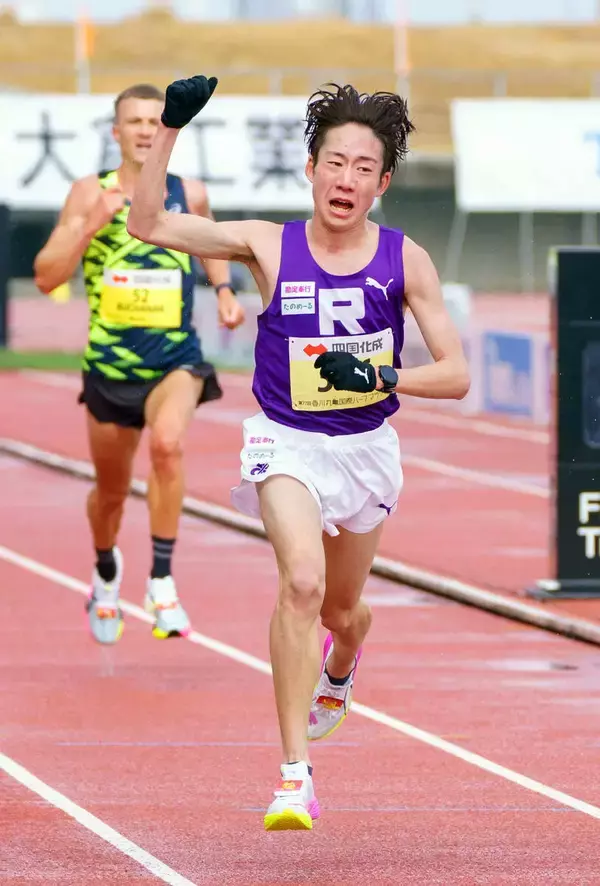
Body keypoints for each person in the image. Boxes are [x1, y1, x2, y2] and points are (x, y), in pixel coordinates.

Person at [127, 75, 470, 830]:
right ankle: (294, 776)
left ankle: (343, 663)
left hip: (365, 451)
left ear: (382, 184)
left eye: (363, 168)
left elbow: (456, 375)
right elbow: (147, 223)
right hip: (285, 442)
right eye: (334, 163)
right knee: (302, 585)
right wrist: (172, 129)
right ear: (310, 169)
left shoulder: (404, 259)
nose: (346, 180)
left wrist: (382, 376)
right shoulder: (266, 243)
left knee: (343, 611)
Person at [33, 82, 245, 646]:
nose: (147, 130)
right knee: (111, 491)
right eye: (136, 121)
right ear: (117, 132)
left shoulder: (188, 193)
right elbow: (47, 277)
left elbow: (212, 246)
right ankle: (106, 571)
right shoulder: (89, 193)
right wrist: (88, 226)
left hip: (175, 358)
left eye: (156, 120)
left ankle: (161, 581)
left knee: (168, 446)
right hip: (110, 366)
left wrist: (224, 291)